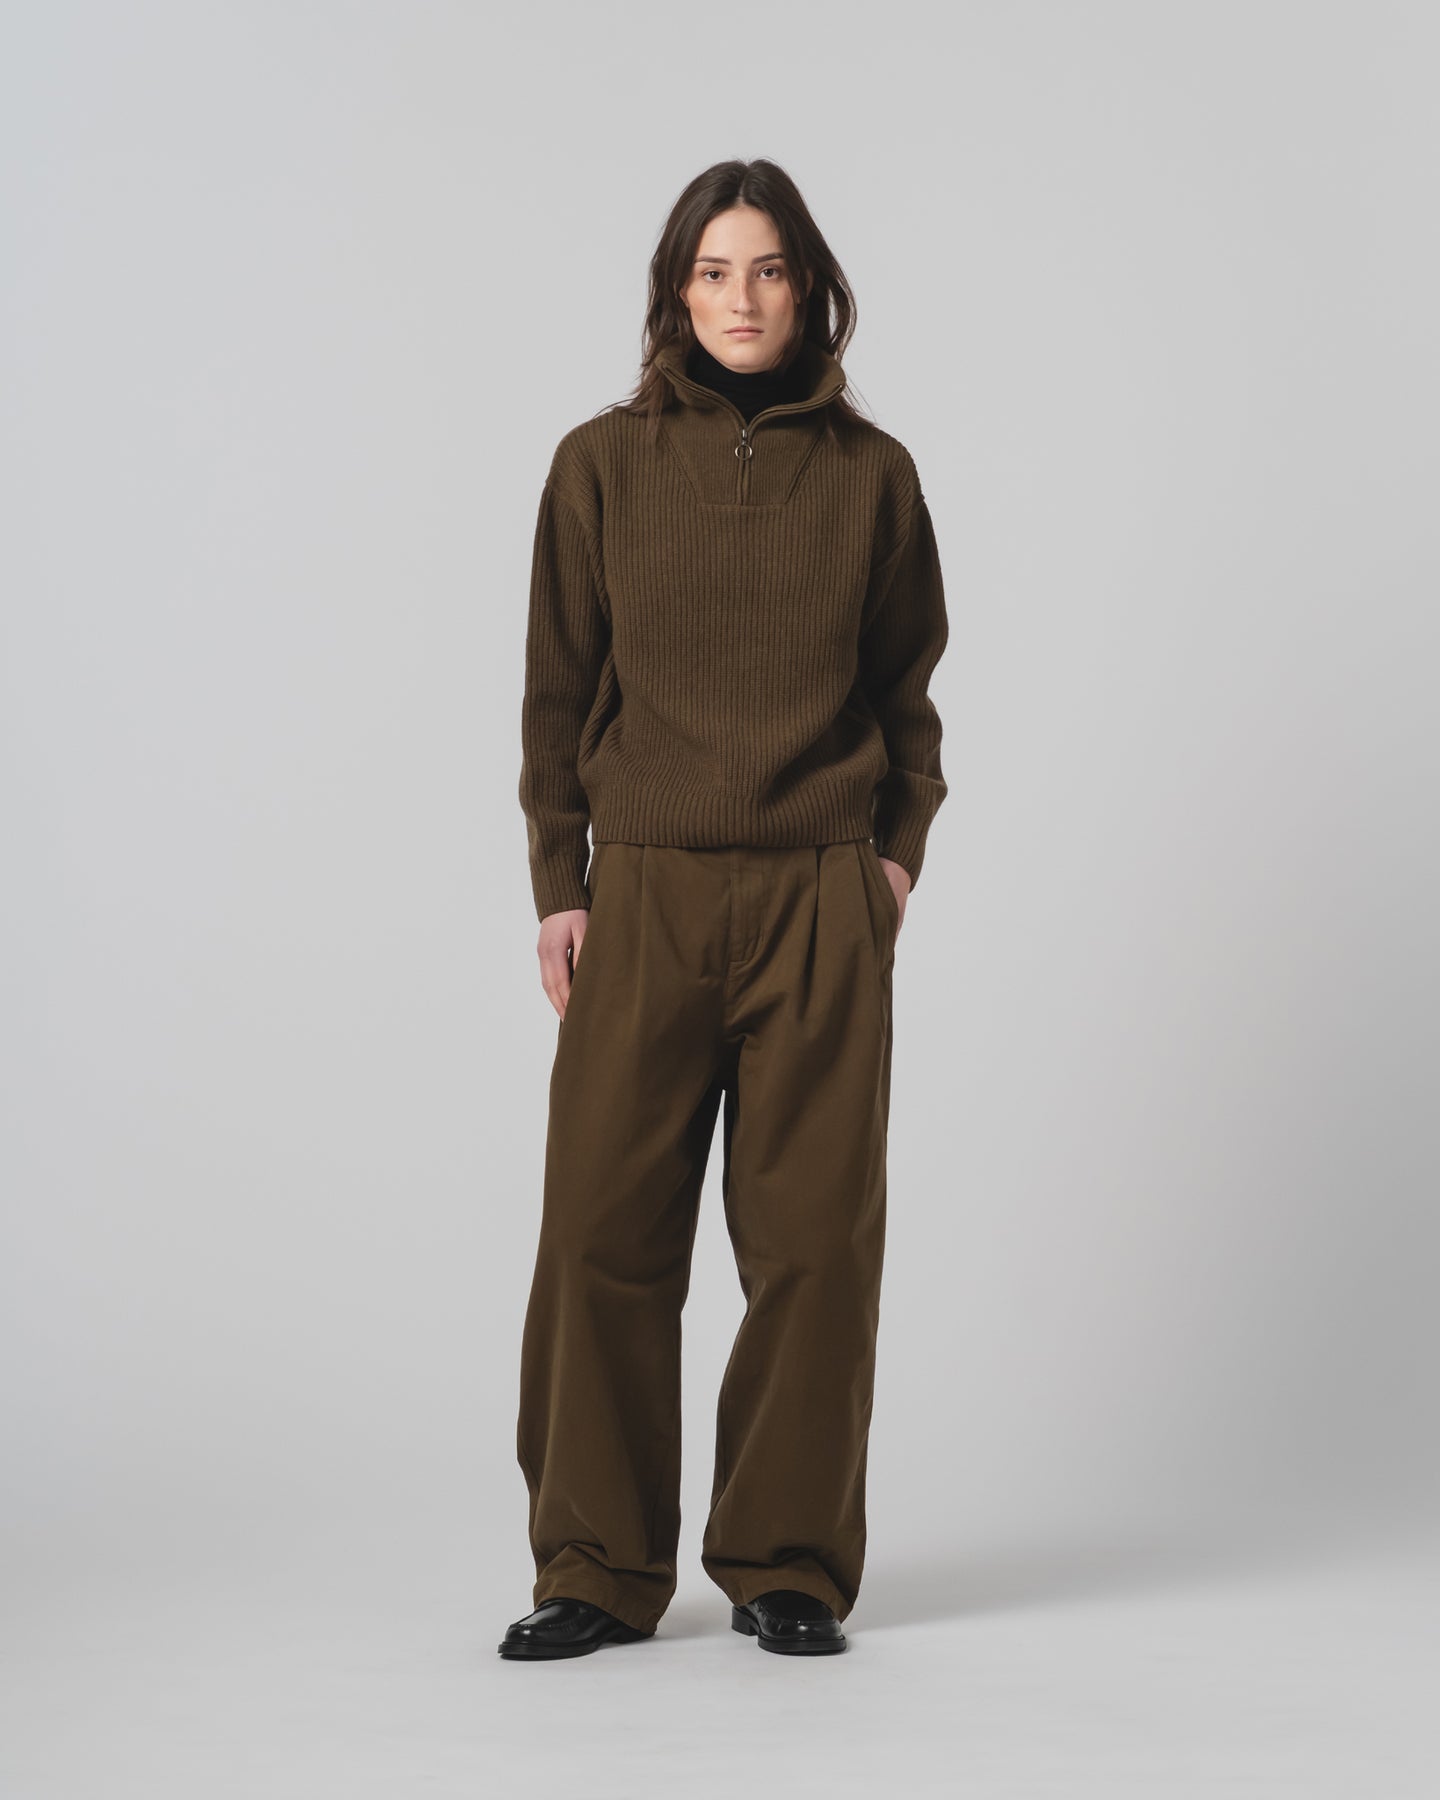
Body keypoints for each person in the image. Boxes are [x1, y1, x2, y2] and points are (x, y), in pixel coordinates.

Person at [500, 158, 949, 1661]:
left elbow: (908, 693)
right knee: (600, 1233)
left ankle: (789, 1565)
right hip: (646, 891)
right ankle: (593, 1565)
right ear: (673, 292)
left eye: (767, 270)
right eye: (711, 271)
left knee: (815, 1245)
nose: (740, 300)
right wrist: (560, 883)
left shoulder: (874, 476)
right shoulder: (600, 465)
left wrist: (891, 860)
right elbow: (557, 694)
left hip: (821, 895)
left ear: (810, 288)